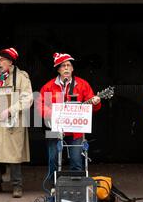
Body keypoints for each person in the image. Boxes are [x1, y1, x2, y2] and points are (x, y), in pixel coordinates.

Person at [37, 53, 101, 185]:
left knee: (77, 160)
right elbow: (40, 106)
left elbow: (93, 108)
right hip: (54, 128)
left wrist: (96, 102)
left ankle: (76, 189)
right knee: (53, 159)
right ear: (58, 69)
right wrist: (53, 113)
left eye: (69, 65)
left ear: (72, 69)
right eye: (63, 66)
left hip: (75, 129)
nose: (66, 68)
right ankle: (53, 190)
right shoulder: (49, 86)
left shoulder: (82, 85)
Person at [0, 48, 33, 198]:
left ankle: (17, 185)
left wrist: (11, 110)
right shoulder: (0, 78)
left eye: (1, 60)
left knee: (14, 154)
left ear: (10, 61)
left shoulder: (21, 77)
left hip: (13, 121)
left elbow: (27, 98)